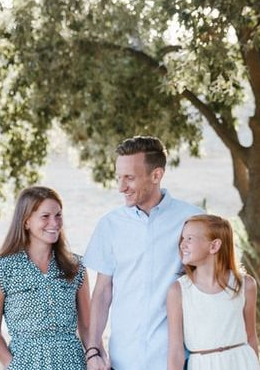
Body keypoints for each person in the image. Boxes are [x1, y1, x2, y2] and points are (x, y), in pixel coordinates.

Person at [84, 135, 203, 370]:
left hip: (179, 360)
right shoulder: (110, 225)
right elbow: (102, 293)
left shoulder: (193, 220)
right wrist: (93, 350)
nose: (121, 187)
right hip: (123, 360)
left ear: (156, 175)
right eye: (119, 177)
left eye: (129, 178)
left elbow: (212, 284)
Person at [0, 185, 91, 369]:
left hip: (73, 363)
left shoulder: (76, 266)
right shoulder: (2, 268)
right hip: (25, 363)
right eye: (45, 216)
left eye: (58, 215)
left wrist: (95, 356)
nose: (55, 223)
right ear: (26, 222)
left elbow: (88, 327)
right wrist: (13, 364)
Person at [167, 214, 260, 370]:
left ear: (214, 246)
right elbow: (175, 349)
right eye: (182, 238)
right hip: (202, 365)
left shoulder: (245, 284)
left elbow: (251, 337)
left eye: (190, 238)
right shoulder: (178, 290)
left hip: (242, 363)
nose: (182, 244)